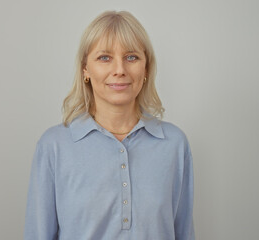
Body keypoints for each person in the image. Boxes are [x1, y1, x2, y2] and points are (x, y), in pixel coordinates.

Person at [24, 10, 194, 240]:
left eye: (131, 57)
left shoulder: (174, 144)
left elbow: (184, 232)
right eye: (104, 57)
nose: (120, 70)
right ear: (86, 69)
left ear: (146, 68)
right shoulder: (54, 146)